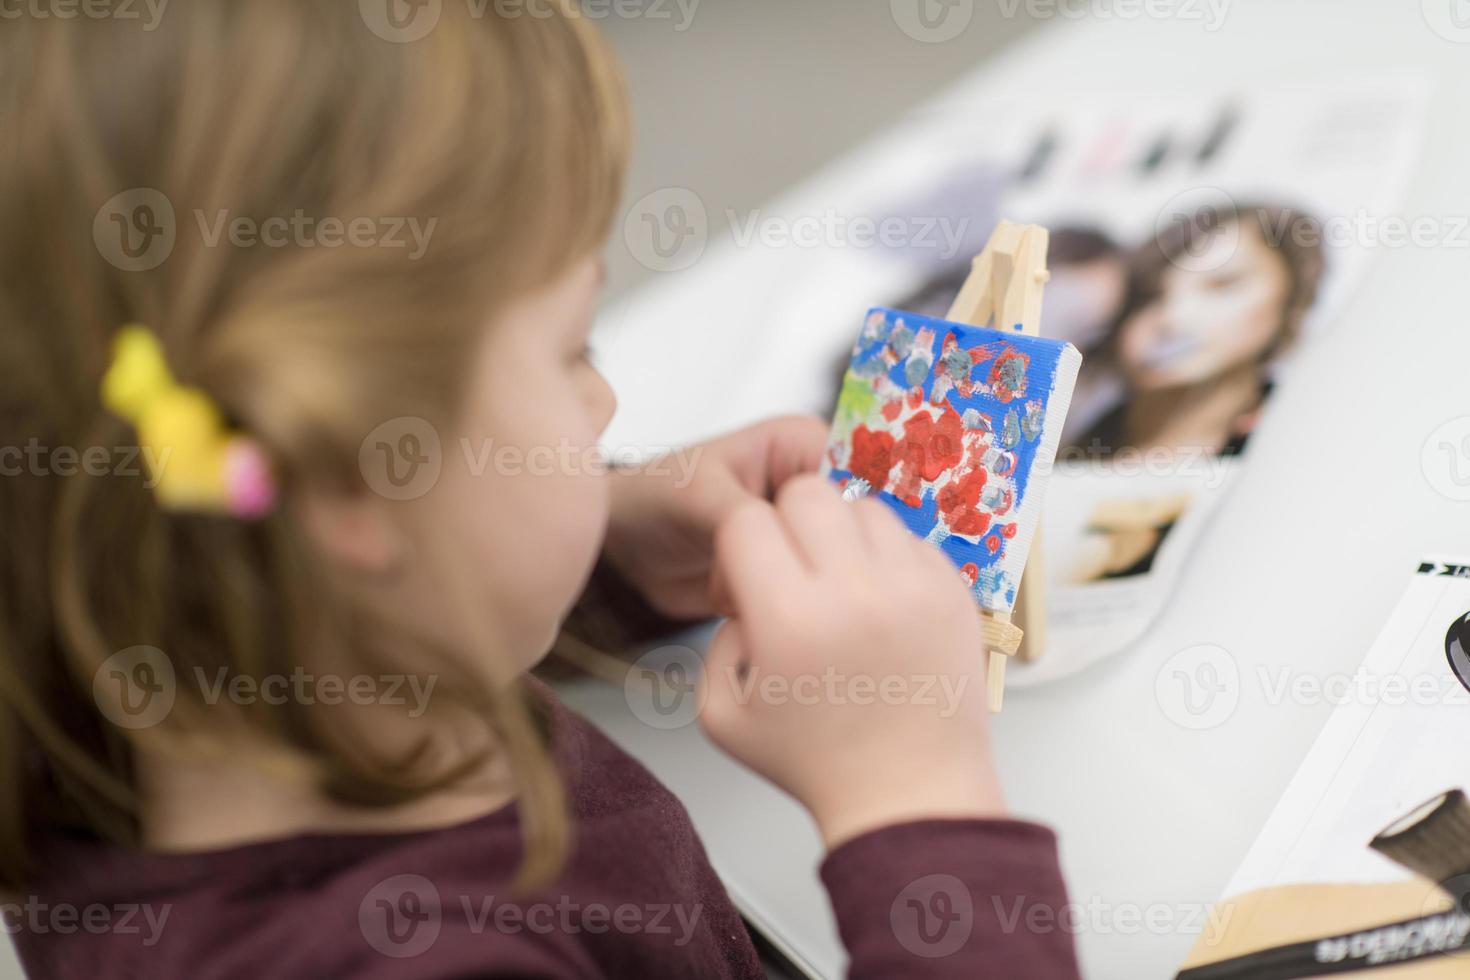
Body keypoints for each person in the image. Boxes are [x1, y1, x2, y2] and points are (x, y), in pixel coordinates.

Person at [0, 4, 1080, 978]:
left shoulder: (122, 665)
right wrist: (915, 801)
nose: (605, 401)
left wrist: (607, 552)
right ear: (364, 486)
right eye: (574, 347)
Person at [1073, 203, 1326, 458]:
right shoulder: (1061, 445)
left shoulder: (1305, 440)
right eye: (1150, 296)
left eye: (1221, 284)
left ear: (1289, 301)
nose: (1173, 318)